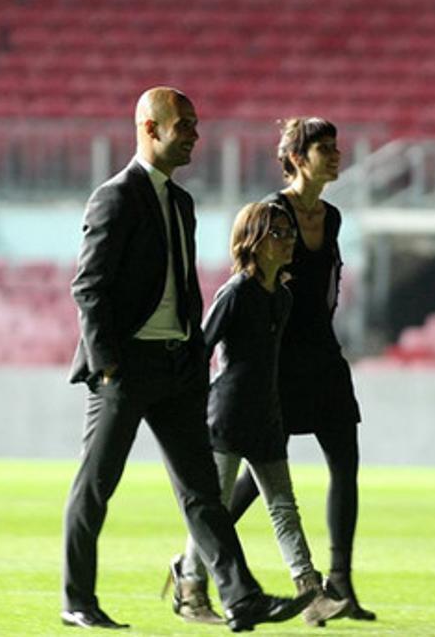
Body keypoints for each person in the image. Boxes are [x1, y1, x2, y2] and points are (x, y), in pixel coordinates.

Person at [61, 87, 313, 631]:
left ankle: (242, 598)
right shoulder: (114, 197)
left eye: (196, 125)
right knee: (96, 486)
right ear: (150, 128)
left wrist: (194, 359)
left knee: (203, 493)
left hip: (176, 368)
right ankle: (78, 599)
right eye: (186, 126)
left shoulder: (181, 201)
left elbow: (185, 289)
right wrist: (107, 366)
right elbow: (89, 288)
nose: (196, 134)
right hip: (124, 370)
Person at [164, 202, 350, 627]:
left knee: (284, 507)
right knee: (214, 508)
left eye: (290, 233)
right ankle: (190, 586)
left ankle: (310, 593)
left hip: (267, 417)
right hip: (226, 416)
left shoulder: (282, 298)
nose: (289, 242)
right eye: (279, 234)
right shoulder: (234, 294)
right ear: (255, 240)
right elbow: (202, 349)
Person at [224, 116, 376, 620]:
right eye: (324, 148)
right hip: (279, 357)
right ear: (295, 158)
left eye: (336, 146)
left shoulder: (331, 217)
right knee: (260, 472)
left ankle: (341, 585)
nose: (335, 155)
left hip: (323, 355)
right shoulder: (272, 211)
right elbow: (248, 279)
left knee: (345, 466)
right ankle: (197, 557)